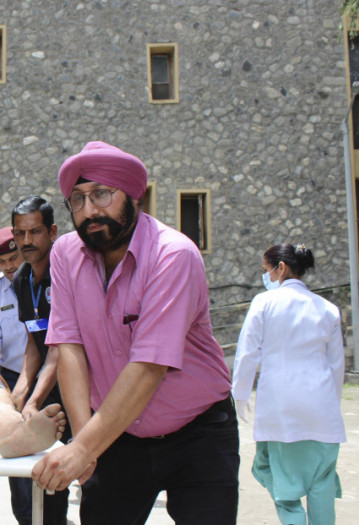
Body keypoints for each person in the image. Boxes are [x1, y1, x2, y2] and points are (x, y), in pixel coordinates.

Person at [32, 141, 240, 524]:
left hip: (197, 434)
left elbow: (149, 366)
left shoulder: (173, 255)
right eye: (77, 199)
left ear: (133, 196)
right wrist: (85, 445)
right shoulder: (64, 254)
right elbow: (69, 348)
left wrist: (83, 447)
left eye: (102, 194)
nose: (90, 210)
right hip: (115, 434)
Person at [232, 243, 345, 525]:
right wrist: (332, 405)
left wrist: (240, 394)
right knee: (322, 484)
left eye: (266, 270)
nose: (265, 276)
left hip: (281, 411)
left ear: (280, 269)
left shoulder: (264, 303)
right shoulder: (328, 309)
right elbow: (336, 366)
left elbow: (248, 353)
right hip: (323, 414)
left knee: (277, 480)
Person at [8, 196, 70, 525]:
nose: (27, 241)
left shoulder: (67, 273)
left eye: (35, 232)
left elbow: (60, 347)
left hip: (84, 392)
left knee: (99, 487)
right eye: (20, 233)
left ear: (53, 231)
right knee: (47, 491)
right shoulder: (21, 280)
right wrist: (19, 391)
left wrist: (31, 399)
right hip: (50, 394)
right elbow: (36, 341)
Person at [0, 227, 32, 525]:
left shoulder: (45, 283)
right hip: (11, 378)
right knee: (16, 448)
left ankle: (51, 516)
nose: (10, 266)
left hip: (50, 375)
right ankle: (25, 517)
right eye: (3, 262)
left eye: (14, 258)